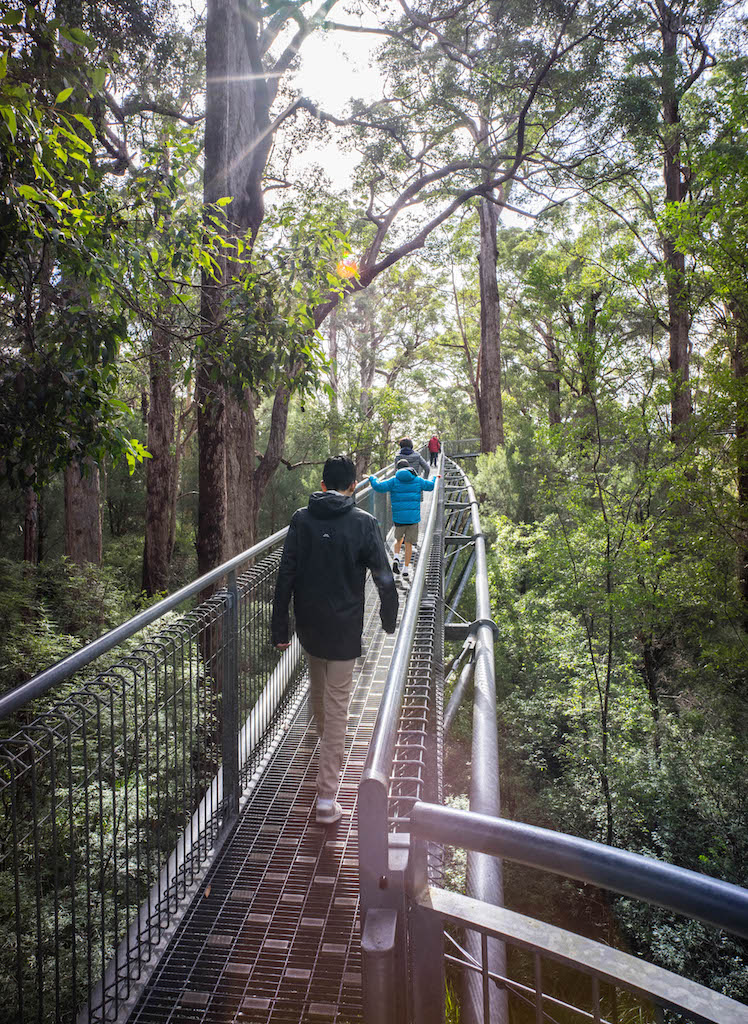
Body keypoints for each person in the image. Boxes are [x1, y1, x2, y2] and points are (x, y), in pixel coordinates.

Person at [271, 455, 398, 825]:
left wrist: (281, 629)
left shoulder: (301, 520)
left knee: (319, 693)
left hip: (309, 628)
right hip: (344, 631)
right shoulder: (365, 522)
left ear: (323, 486)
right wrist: (389, 620)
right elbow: (385, 579)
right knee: (337, 706)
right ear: (353, 488)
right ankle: (327, 797)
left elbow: (286, 576)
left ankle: (325, 751)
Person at [369, 459, 436, 582]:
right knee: (409, 543)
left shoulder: (394, 481)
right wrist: (434, 477)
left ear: (397, 469)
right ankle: (405, 569)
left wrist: (372, 478)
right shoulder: (417, 480)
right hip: (413, 519)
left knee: (398, 539)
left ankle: (395, 557)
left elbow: (378, 487)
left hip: (398, 519)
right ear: (409, 468)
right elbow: (430, 486)